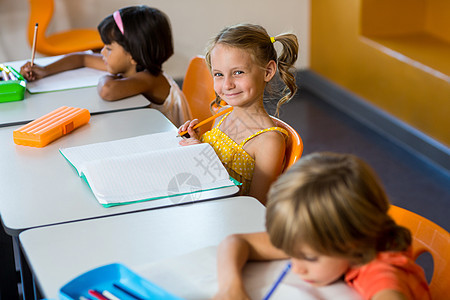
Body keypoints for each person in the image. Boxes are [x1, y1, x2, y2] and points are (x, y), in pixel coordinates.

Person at [214, 152, 431, 300]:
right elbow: (235, 241)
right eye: (292, 253)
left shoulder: (381, 272)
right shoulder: (317, 239)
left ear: (353, 244)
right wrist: (230, 287)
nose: (297, 267)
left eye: (309, 258)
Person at [178, 24, 299, 205]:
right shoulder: (222, 113)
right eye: (218, 74)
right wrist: (195, 141)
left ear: (267, 71)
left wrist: (201, 153)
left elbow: (255, 205)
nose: (227, 85)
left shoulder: (269, 141)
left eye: (238, 73)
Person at [20, 5, 191, 127]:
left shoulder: (149, 79)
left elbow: (107, 90)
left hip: (175, 143)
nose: (102, 53)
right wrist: (45, 70)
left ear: (132, 55)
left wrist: (109, 75)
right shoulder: (133, 66)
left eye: (108, 48)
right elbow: (82, 58)